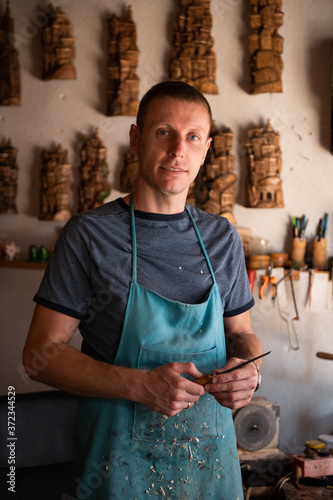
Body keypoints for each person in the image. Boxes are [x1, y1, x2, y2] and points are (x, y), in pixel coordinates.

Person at [23, 81, 263, 500]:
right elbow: (39, 357)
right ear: (136, 139)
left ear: (206, 149)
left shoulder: (222, 237)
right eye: (163, 132)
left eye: (192, 138)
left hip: (209, 465)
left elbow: (241, 334)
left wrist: (250, 371)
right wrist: (137, 385)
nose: (177, 151)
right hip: (117, 468)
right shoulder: (89, 235)